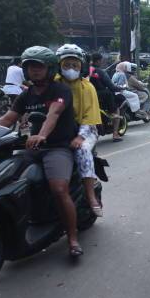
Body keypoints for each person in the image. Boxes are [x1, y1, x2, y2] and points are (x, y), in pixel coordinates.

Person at [0, 46, 83, 256]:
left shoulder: (60, 90)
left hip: (57, 147)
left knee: (59, 189)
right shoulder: (26, 95)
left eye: (39, 66)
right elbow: (7, 119)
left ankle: (72, 237)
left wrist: (42, 135)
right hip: (32, 148)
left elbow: (54, 113)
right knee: (4, 179)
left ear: (49, 68)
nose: (34, 70)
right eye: (30, 66)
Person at [55, 44, 103, 218]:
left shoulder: (87, 87)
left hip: (85, 130)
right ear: (59, 66)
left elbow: (89, 116)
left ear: (81, 66)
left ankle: (90, 196)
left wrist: (80, 136)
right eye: (66, 65)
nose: (71, 69)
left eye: (75, 65)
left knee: (82, 151)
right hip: (58, 131)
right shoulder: (54, 84)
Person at [90, 53, 123, 142]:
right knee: (115, 107)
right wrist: (120, 88)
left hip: (87, 97)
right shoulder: (100, 72)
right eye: (101, 60)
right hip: (99, 97)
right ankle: (115, 133)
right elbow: (111, 86)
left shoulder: (85, 70)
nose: (102, 62)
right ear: (98, 61)